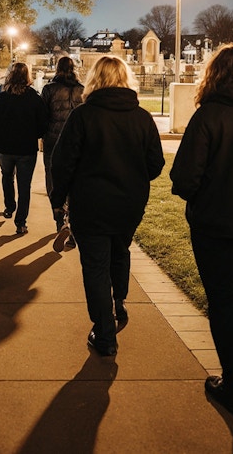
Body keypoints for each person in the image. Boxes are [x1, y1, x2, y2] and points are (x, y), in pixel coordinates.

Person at [50, 55, 164, 356]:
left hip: (90, 202)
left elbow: (62, 163)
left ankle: (104, 332)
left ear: (94, 79)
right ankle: (119, 302)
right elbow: (155, 164)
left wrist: (58, 200)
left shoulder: (84, 116)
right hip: (129, 202)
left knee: (96, 265)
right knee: (120, 250)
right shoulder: (142, 117)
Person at [170, 43, 233, 417]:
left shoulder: (209, 116)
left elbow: (183, 178)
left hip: (216, 225)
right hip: (218, 221)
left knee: (225, 303)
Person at [0, 62, 48, 235]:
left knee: (7, 177)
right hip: (26, 148)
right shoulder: (34, 98)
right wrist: (34, 136)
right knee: (24, 185)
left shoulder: (1, 96)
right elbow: (42, 124)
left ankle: (9, 206)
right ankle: (21, 221)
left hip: (4, 146)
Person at [41, 56, 84, 248]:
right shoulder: (81, 90)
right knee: (75, 184)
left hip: (53, 139)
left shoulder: (49, 89)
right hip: (77, 141)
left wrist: (41, 134)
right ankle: (73, 226)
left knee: (53, 180)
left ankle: (60, 222)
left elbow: (42, 116)